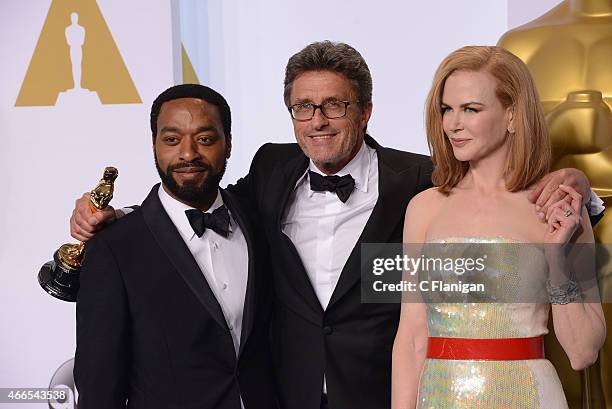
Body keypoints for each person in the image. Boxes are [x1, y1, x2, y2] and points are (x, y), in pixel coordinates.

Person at [69, 42, 597, 409]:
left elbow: (497, 190)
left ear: (366, 111)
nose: (317, 121)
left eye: (333, 105)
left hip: (381, 393)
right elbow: (191, 208)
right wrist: (115, 222)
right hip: (286, 395)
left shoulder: (416, 182)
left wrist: (581, 189)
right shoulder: (269, 175)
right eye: (303, 107)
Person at [391, 46, 606, 408]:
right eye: (447, 109)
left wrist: (556, 259)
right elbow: (411, 338)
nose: (453, 124)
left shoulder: (558, 207)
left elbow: (583, 353)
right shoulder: (423, 208)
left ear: (513, 116)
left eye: (471, 109)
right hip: (438, 397)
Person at [73, 84, 277, 409]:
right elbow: (99, 385)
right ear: (154, 145)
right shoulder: (115, 248)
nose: (188, 153)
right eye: (171, 140)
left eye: (205, 139)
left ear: (228, 145)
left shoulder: (258, 218)